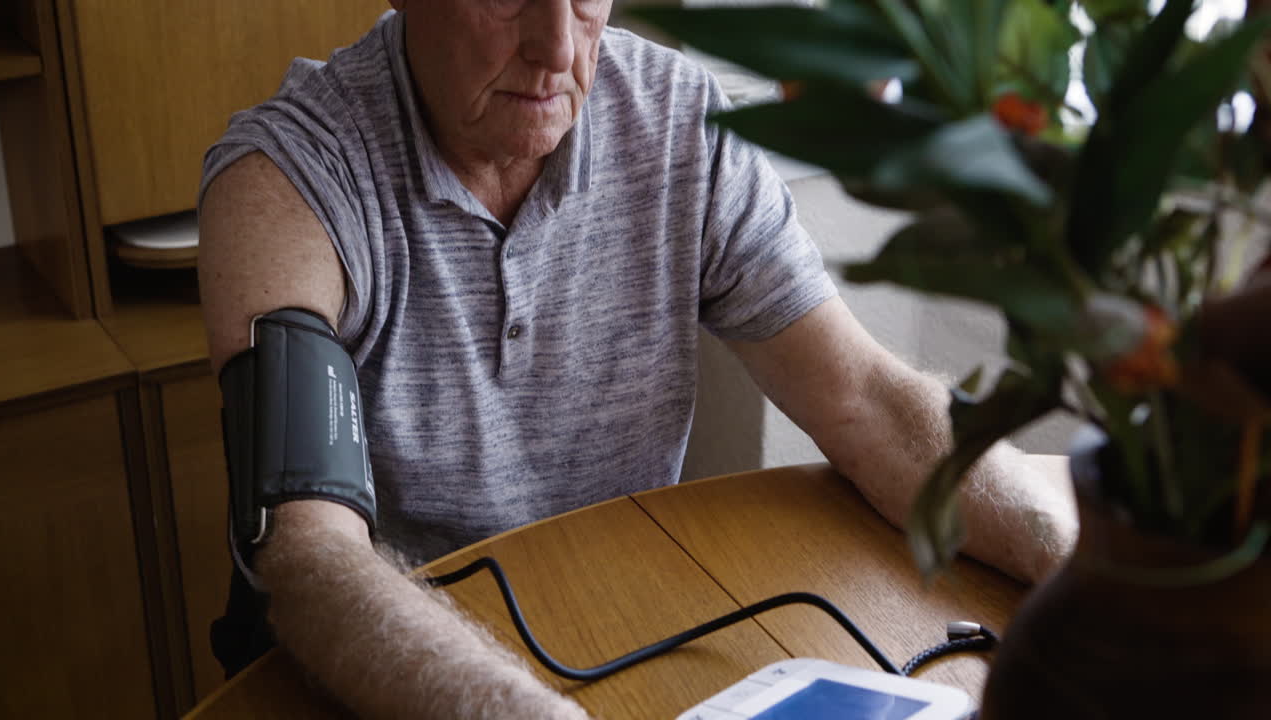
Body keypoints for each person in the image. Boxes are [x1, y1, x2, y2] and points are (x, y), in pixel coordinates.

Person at [196, 1, 1077, 717]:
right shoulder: (285, 179)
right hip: (387, 668)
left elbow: (867, 399)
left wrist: (1083, 572)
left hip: (617, 622)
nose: (557, 46)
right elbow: (310, 556)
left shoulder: (682, 125)